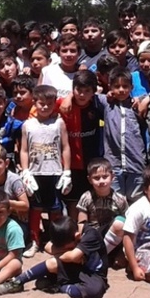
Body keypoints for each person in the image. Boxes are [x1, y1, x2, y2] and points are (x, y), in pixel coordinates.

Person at [0, 216, 110, 298]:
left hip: (94, 275)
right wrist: (64, 253)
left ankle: (58, 286)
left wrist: (64, 254)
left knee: (94, 291)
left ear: (77, 237)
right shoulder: (65, 230)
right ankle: (18, 282)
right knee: (53, 263)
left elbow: (73, 256)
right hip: (76, 269)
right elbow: (47, 247)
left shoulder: (91, 235)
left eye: (68, 247)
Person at [20, 85, 72, 258]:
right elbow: (24, 150)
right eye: (41, 103)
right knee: (35, 208)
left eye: (49, 104)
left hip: (54, 172)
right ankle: (35, 241)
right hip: (36, 174)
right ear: (34, 103)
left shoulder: (58, 122)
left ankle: (55, 240)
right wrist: (26, 172)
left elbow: (65, 147)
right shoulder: (28, 125)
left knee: (55, 209)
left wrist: (67, 172)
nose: (45, 107)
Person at [96, 67, 147, 202]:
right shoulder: (106, 103)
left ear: (132, 87)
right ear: (110, 86)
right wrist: (104, 92)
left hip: (135, 161)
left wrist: (141, 99)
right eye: (116, 86)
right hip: (114, 162)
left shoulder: (137, 104)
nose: (121, 90)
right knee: (116, 200)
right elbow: (88, 94)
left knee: (136, 199)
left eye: (125, 86)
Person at [58, 71, 103, 220]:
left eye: (87, 91)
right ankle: (75, 232)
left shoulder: (98, 105)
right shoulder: (62, 105)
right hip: (70, 163)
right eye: (78, 90)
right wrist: (68, 98)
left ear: (93, 91)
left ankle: (92, 231)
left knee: (91, 198)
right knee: (73, 201)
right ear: (73, 89)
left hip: (91, 160)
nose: (82, 95)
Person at [76, 158, 128, 257]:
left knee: (120, 223)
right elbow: (81, 223)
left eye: (105, 177)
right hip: (92, 235)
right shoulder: (86, 197)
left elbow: (128, 225)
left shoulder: (120, 199)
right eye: (96, 178)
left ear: (112, 177)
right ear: (89, 180)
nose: (101, 181)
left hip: (112, 236)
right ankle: (95, 255)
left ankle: (100, 256)